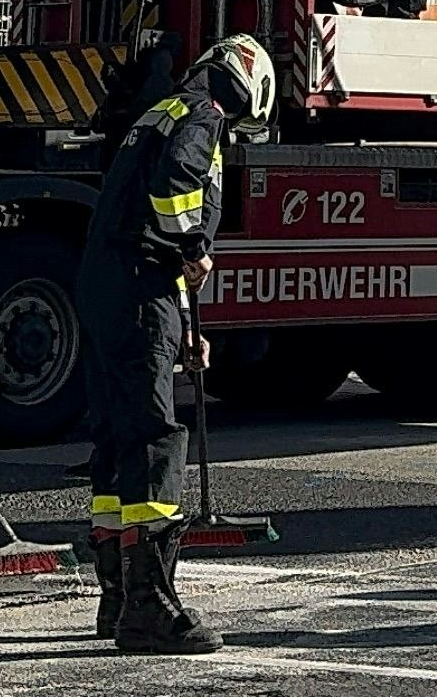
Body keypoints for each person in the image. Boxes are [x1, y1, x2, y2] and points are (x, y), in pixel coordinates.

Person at [82, 35, 272, 654]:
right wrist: (194, 247)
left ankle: (116, 596)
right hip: (141, 283)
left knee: (118, 436)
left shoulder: (159, 111)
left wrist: (186, 324)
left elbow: (145, 206)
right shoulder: (204, 114)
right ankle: (150, 606)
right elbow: (174, 189)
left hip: (109, 283)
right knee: (155, 439)